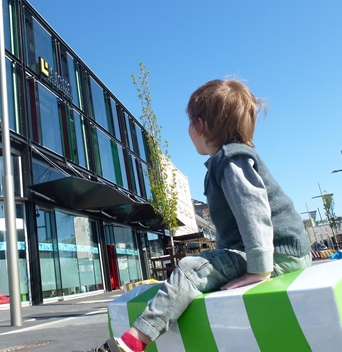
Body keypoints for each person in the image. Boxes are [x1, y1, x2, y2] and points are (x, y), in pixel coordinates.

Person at [87, 79, 311, 352]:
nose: (188, 130)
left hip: (277, 253)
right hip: (274, 252)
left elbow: (254, 212)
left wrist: (259, 267)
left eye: (189, 123)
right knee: (202, 270)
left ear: (201, 126)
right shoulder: (225, 161)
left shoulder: (231, 160)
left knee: (189, 270)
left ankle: (131, 343)